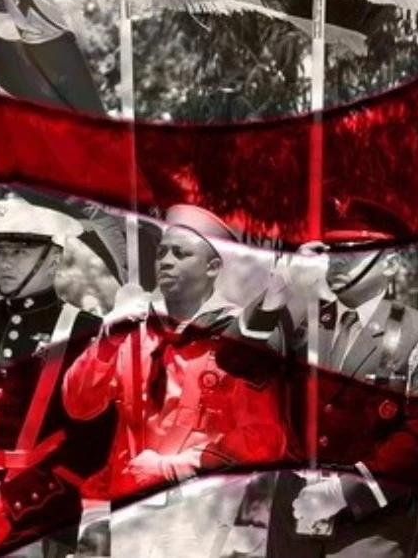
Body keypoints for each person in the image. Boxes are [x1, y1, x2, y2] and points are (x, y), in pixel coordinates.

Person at [62, 204, 290, 558]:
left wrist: (171, 467)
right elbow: (78, 404)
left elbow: (263, 439)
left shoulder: (241, 338)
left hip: (203, 520)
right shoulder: (133, 329)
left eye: (181, 253)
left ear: (213, 267)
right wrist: (106, 338)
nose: (166, 260)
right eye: (162, 252)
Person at [250, 199, 418, 558]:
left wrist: (344, 493)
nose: (336, 261)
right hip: (294, 513)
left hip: (372, 525)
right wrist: (277, 295)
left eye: (353, 251)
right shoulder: (301, 322)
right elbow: (240, 362)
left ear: (391, 263)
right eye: (332, 251)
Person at [0, 195, 117, 557]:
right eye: (1, 252)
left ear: (54, 260)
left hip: (36, 519)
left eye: (20, 252)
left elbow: (90, 446)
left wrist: (11, 500)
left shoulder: (86, 330)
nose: (5, 263)